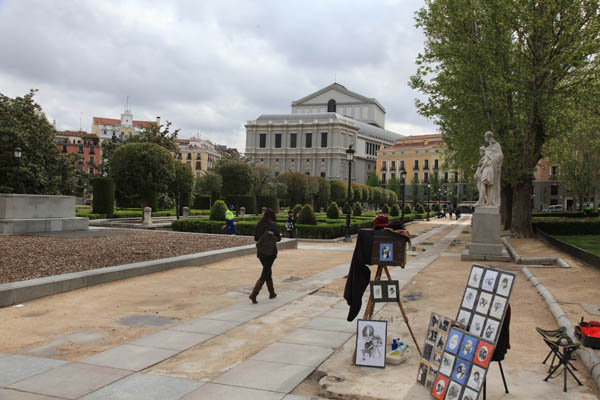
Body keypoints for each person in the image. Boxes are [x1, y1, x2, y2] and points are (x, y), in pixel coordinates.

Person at [249, 208, 281, 303]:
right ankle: (254, 294)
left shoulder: (259, 225)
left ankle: (272, 293)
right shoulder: (273, 226)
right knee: (265, 272)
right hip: (271, 252)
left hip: (261, 252)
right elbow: (278, 239)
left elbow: (256, 238)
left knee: (267, 271)